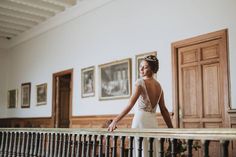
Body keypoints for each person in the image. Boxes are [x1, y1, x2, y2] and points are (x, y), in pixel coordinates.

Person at [108, 55, 173, 156]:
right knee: (151, 151)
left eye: (145, 67)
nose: (141, 69)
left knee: (140, 151)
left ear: (152, 69)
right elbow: (163, 110)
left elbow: (130, 104)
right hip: (153, 123)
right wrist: (171, 128)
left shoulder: (140, 83)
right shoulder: (159, 86)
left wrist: (115, 120)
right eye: (140, 66)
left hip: (140, 121)